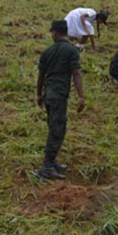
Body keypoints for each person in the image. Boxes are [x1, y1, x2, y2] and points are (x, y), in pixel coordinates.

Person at [36, 20, 85, 180]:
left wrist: (38, 94)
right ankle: (47, 167)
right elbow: (76, 74)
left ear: (56, 33)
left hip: (49, 94)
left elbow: (41, 76)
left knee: (54, 127)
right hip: (58, 95)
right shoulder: (71, 51)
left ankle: (52, 162)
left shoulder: (47, 51)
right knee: (57, 130)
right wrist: (81, 96)